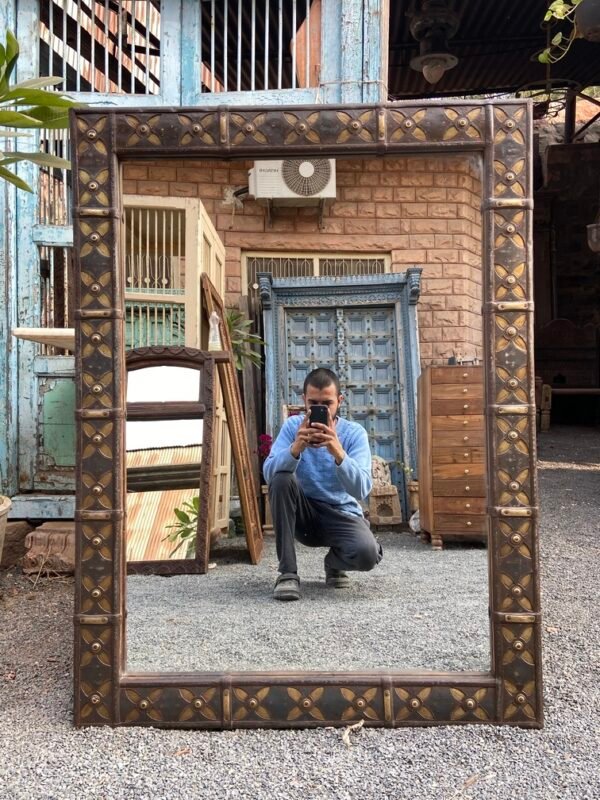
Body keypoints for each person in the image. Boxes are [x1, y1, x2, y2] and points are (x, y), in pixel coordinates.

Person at [262, 367, 383, 601]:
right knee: (281, 477)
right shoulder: (292, 427)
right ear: (304, 400)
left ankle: (334, 562)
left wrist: (338, 452)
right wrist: (295, 449)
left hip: (341, 515)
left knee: (367, 554)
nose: (319, 409)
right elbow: (270, 476)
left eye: (327, 404)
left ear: (340, 401)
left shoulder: (353, 433)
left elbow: (362, 489)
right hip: (303, 515)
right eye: (313, 403)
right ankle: (287, 573)